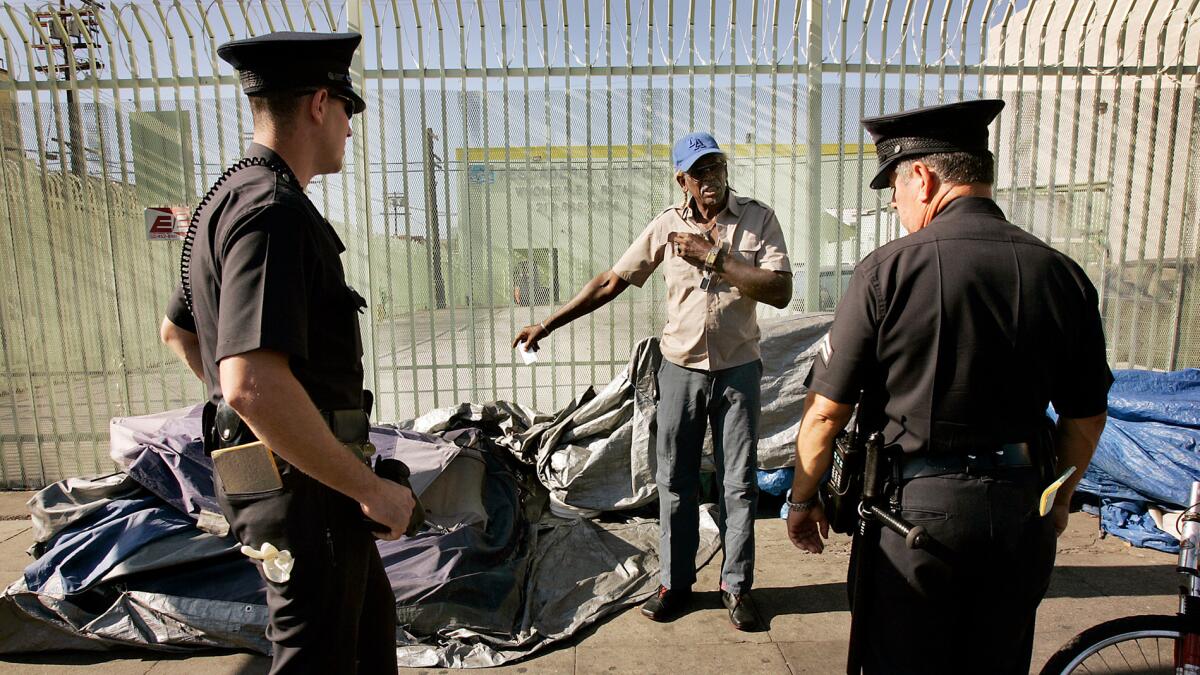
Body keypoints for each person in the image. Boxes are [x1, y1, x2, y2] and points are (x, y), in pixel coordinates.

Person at [784, 99, 1112, 674]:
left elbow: (825, 413)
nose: (893, 201)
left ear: (923, 176)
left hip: (914, 523)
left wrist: (804, 498)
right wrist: (1058, 501)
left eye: (894, 185)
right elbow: (1085, 419)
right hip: (1019, 513)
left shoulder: (887, 271)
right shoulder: (1061, 274)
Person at [159, 32, 414, 674]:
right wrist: (370, 491)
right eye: (350, 112)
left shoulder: (226, 199)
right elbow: (249, 384)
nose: (353, 131)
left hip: (279, 476)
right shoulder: (273, 212)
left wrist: (259, 433)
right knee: (316, 652)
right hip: (309, 490)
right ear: (321, 104)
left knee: (361, 631)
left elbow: (182, 335)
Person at [513, 132, 792, 631]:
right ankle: (676, 583)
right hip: (680, 369)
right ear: (681, 180)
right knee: (676, 482)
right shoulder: (667, 225)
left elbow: (779, 289)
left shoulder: (757, 218)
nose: (711, 180)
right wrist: (548, 324)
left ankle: (737, 586)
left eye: (717, 168)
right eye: (699, 172)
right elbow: (611, 280)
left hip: (737, 370)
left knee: (739, 484)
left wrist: (715, 257)